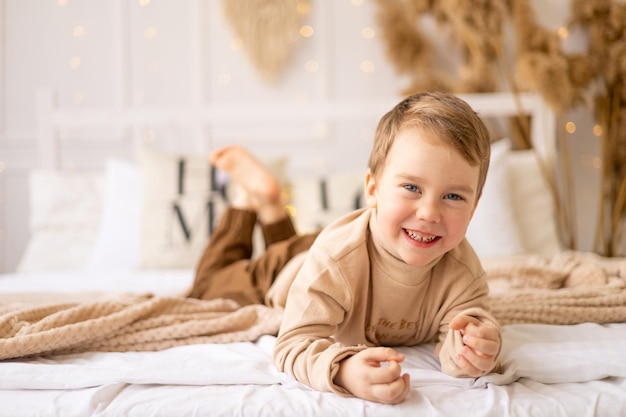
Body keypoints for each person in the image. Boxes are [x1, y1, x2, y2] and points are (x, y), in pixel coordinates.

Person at [188, 92, 502, 405]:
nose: (429, 213)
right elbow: (291, 345)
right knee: (207, 285)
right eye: (411, 188)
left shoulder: (463, 273)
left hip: (339, 247)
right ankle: (247, 202)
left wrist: (472, 350)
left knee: (302, 250)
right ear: (373, 189)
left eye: (453, 197)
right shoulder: (334, 259)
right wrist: (342, 370)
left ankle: (272, 207)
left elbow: (458, 344)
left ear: (473, 209)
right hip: (290, 271)